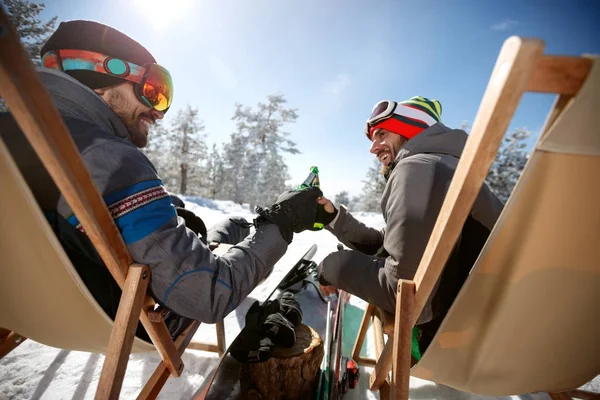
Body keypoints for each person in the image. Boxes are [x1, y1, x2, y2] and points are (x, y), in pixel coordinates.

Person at [0, 20, 322, 332]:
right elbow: (209, 293)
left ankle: (241, 227)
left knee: (223, 226)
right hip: (140, 317)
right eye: (153, 90)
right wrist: (282, 221)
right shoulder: (109, 159)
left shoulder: (13, 136)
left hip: (30, 311)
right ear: (98, 73)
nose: (159, 111)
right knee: (228, 238)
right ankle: (252, 231)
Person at [316, 96, 503, 349]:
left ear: (410, 128)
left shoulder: (417, 170)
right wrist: (333, 217)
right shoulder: (448, 167)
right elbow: (393, 241)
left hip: (443, 337)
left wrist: (329, 267)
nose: (373, 148)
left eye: (382, 134)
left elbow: (403, 293)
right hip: (481, 319)